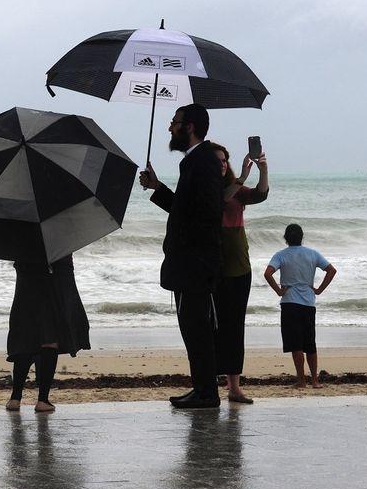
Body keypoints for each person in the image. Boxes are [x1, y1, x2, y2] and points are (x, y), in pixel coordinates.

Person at [139, 103, 222, 409]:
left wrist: (186, 247)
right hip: (191, 263)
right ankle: (201, 388)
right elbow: (184, 209)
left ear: (189, 127)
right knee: (192, 328)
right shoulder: (194, 162)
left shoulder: (203, 162)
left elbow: (206, 215)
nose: (170, 128)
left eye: (174, 123)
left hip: (194, 265)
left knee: (197, 329)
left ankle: (207, 392)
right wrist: (158, 187)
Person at [210, 143, 269, 404]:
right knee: (213, 328)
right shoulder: (206, 190)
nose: (222, 164)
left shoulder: (237, 189)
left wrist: (263, 170)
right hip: (213, 269)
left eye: (224, 160)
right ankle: (209, 383)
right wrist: (242, 177)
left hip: (240, 268)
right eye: (217, 160)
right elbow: (220, 199)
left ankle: (234, 387)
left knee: (235, 328)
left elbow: (260, 194)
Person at [5, 254, 90, 413]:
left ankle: (15, 399)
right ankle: (42, 400)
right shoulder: (59, 241)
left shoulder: (21, 239)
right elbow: (65, 266)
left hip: (27, 280)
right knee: (50, 340)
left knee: (25, 339)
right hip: (54, 281)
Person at [264, 224, 336, 388]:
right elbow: (331, 270)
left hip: (289, 303)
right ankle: (315, 381)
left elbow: (268, 273)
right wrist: (319, 290)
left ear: (285, 238)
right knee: (310, 343)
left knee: (295, 343)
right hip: (308, 303)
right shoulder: (313, 253)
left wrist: (278, 291)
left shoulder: (281, 255)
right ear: (302, 237)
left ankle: (301, 381)